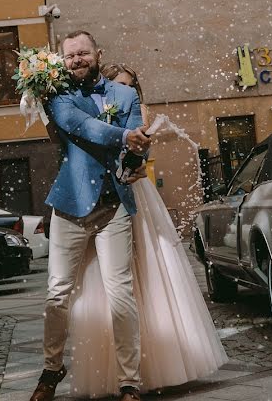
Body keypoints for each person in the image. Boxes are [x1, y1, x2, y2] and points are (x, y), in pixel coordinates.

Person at [66, 63, 228, 398]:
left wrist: (133, 160)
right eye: (118, 84)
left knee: (150, 269)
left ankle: (158, 358)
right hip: (106, 194)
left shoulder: (137, 111)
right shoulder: (90, 108)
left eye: (130, 85)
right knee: (111, 280)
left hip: (136, 195)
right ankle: (121, 367)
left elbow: (141, 153)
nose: (124, 91)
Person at [31, 31, 151, 401]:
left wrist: (136, 159)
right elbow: (80, 127)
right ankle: (52, 370)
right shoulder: (57, 96)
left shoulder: (126, 95)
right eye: (69, 56)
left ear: (98, 54)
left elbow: (137, 148)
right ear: (62, 62)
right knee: (56, 295)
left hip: (114, 204)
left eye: (83, 53)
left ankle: (129, 381)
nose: (77, 60)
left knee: (121, 295)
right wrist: (125, 137)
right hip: (70, 206)